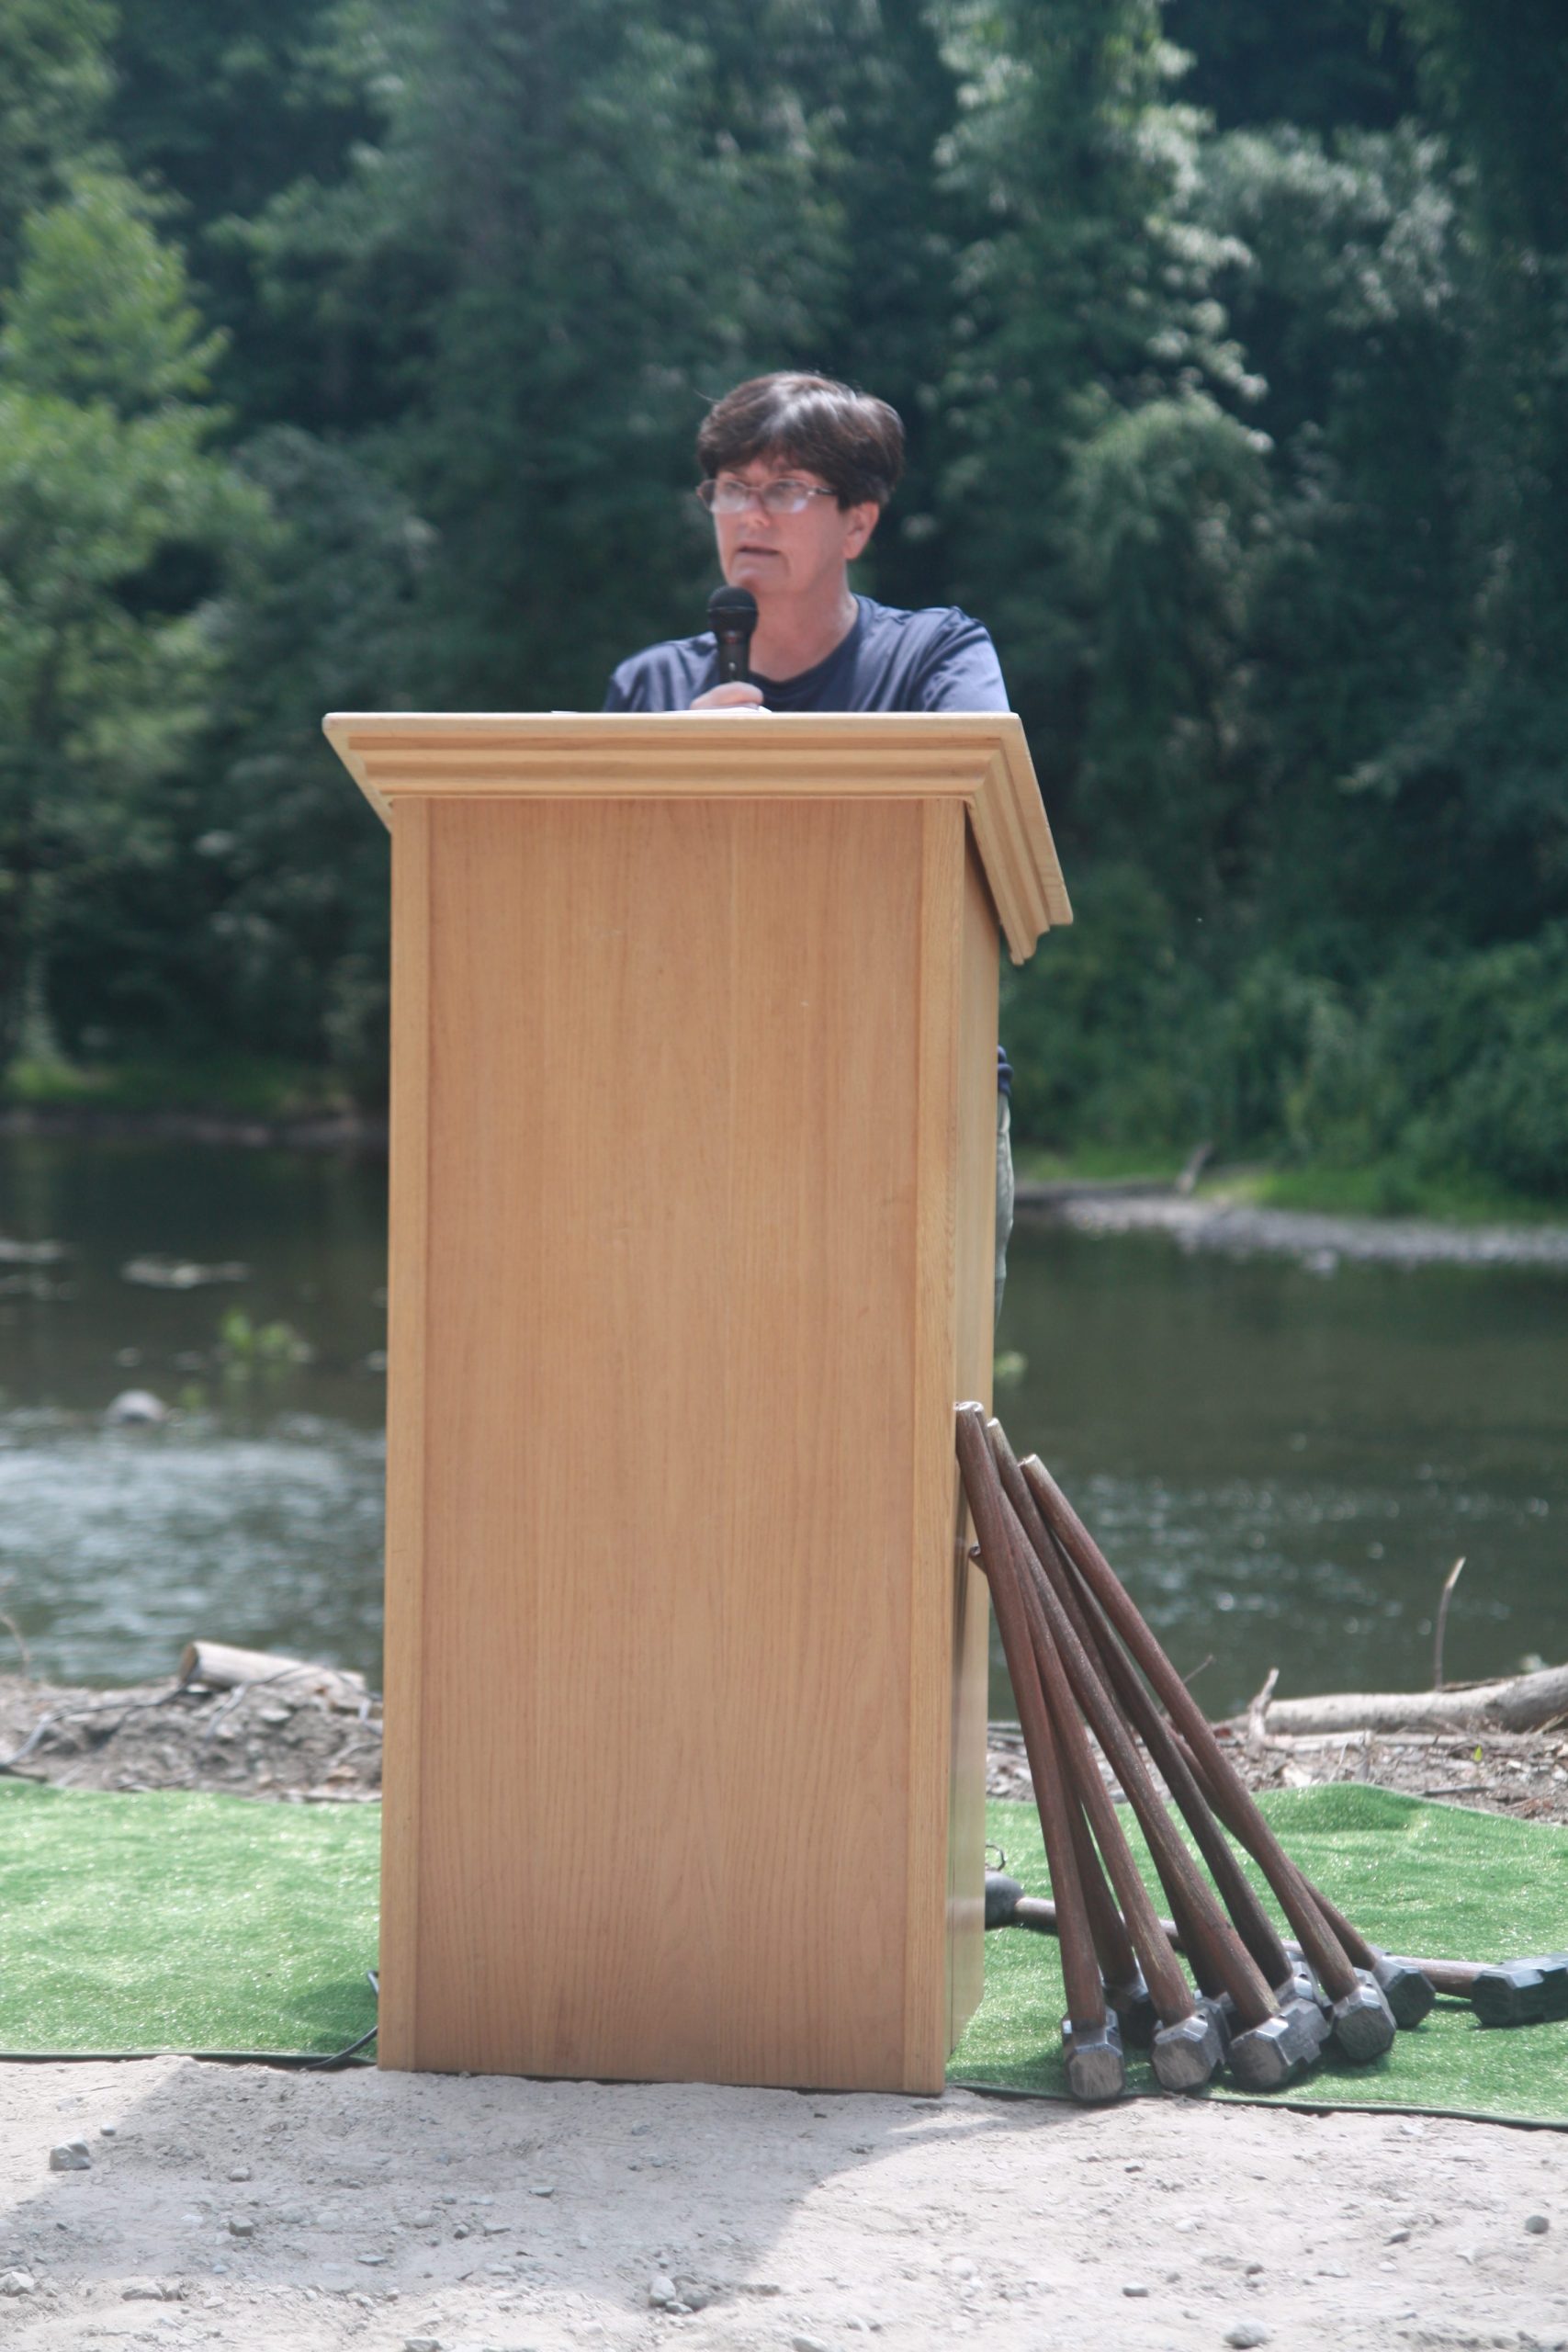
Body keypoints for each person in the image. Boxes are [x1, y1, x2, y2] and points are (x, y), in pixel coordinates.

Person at [604, 370, 1015, 1317]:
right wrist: (672, 776)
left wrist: (761, 774)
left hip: (907, 1092)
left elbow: (977, 814)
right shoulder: (651, 690)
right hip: (694, 1100)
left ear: (859, 524)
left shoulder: (938, 658)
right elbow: (607, 924)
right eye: (731, 488)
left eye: (785, 488)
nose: (751, 513)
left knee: (903, 1425)